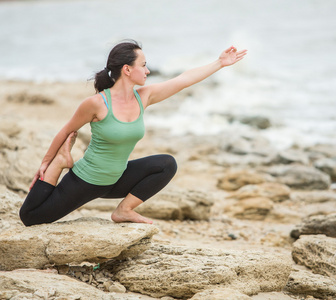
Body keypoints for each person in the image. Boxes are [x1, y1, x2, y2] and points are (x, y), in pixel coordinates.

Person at [19, 40, 247, 226]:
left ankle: (124, 210)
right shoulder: (97, 103)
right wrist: (48, 162)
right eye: (144, 65)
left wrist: (219, 63)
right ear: (127, 69)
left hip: (117, 179)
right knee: (30, 217)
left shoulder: (144, 97)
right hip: (86, 180)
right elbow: (66, 131)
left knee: (167, 164)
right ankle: (62, 161)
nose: (148, 70)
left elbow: (183, 80)